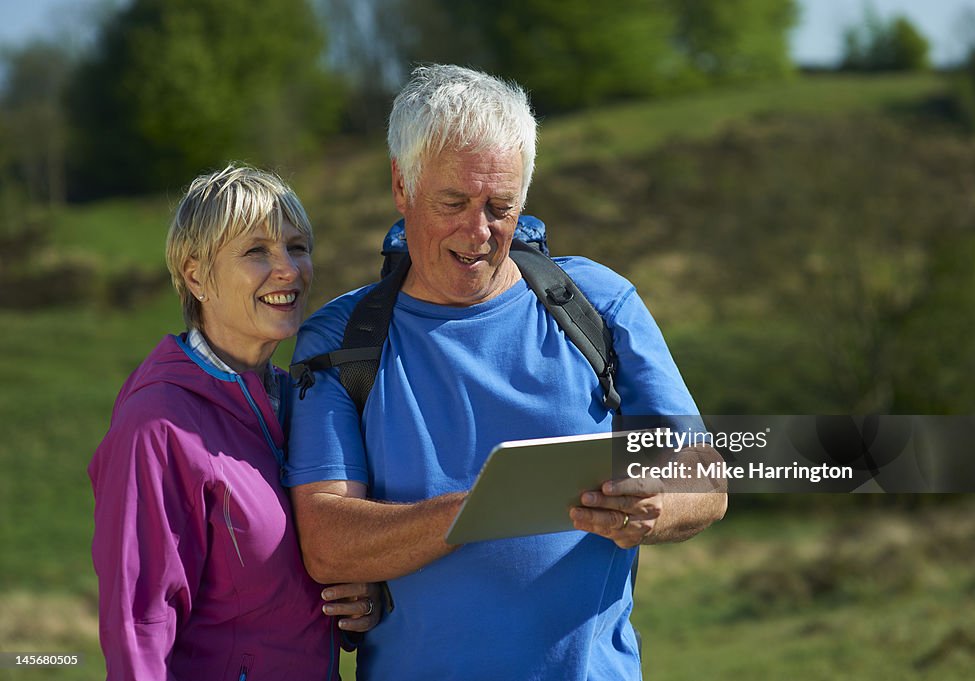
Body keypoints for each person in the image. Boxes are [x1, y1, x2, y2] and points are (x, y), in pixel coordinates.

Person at [285, 65, 727, 680]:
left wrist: (659, 505)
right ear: (401, 184)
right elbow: (329, 540)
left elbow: (705, 477)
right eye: (454, 203)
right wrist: (492, 504)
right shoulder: (341, 340)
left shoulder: (597, 303)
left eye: (501, 206)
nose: (480, 231)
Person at [89, 165, 381, 680]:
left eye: (297, 247)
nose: (289, 269)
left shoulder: (300, 399)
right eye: (256, 252)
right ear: (197, 274)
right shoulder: (157, 426)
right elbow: (139, 628)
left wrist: (357, 604)